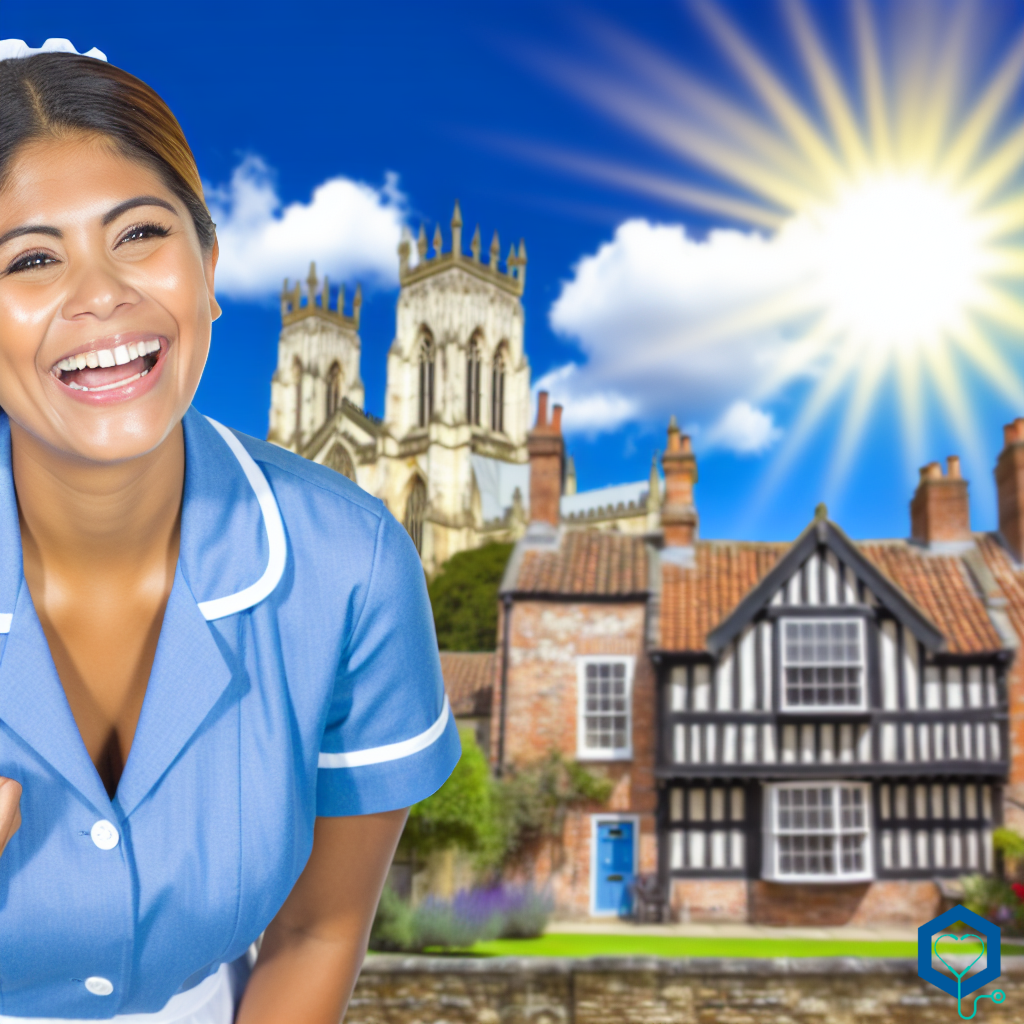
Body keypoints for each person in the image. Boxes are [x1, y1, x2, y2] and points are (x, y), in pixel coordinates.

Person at [0, 39, 460, 1023]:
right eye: (33, 258)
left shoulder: (351, 562)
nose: (103, 295)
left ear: (207, 268)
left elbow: (316, 929)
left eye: (139, 235)